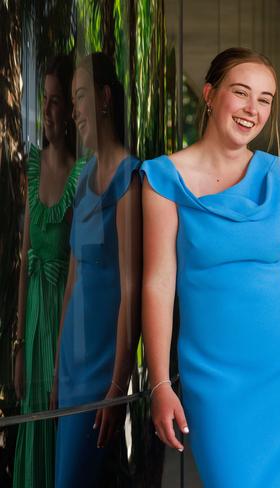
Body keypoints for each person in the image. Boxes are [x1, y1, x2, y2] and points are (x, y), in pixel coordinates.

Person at [141, 47, 280, 487]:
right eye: (241, 93)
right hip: (214, 382)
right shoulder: (163, 179)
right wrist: (160, 383)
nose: (252, 110)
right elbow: (158, 284)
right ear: (210, 95)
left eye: (265, 99)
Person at [53, 52, 141, 487]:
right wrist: (55, 368)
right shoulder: (84, 176)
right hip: (71, 366)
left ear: (105, 98)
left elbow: (133, 290)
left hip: (103, 374)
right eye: (72, 101)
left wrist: (118, 386)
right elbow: (72, 281)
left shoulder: (130, 177)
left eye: (80, 97)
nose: (74, 112)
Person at [12, 54, 84, 488]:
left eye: (58, 101)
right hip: (34, 313)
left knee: (57, 425)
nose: (51, 110)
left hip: (62, 315)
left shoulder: (81, 175)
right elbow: (24, 259)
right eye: (46, 100)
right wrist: (18, 345)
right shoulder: (33, 166)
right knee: (30, 423)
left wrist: (62, 357)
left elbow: (77, 276)